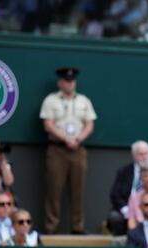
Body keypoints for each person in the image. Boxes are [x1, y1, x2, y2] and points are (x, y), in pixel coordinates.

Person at [40, 67, 97, 234]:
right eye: (66, 80)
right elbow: (48, 124)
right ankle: (51, 227)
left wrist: (78, 139)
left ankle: (77, 227)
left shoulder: (84, 101)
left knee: (78, 189)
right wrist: (65, 138)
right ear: (60, 82)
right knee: (54, 189)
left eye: (72, 80)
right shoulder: (51, 100)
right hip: (57, 148)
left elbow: (90, 124)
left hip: (78, 149)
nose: (69, 83)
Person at [108, 140, 148, 236]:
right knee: (114, 217)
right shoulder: (123, 171)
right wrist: (127, 209)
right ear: (133, 155)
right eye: (140, 154)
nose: (144, 157)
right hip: (127, 209)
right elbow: (115, 195)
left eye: (146, 153)